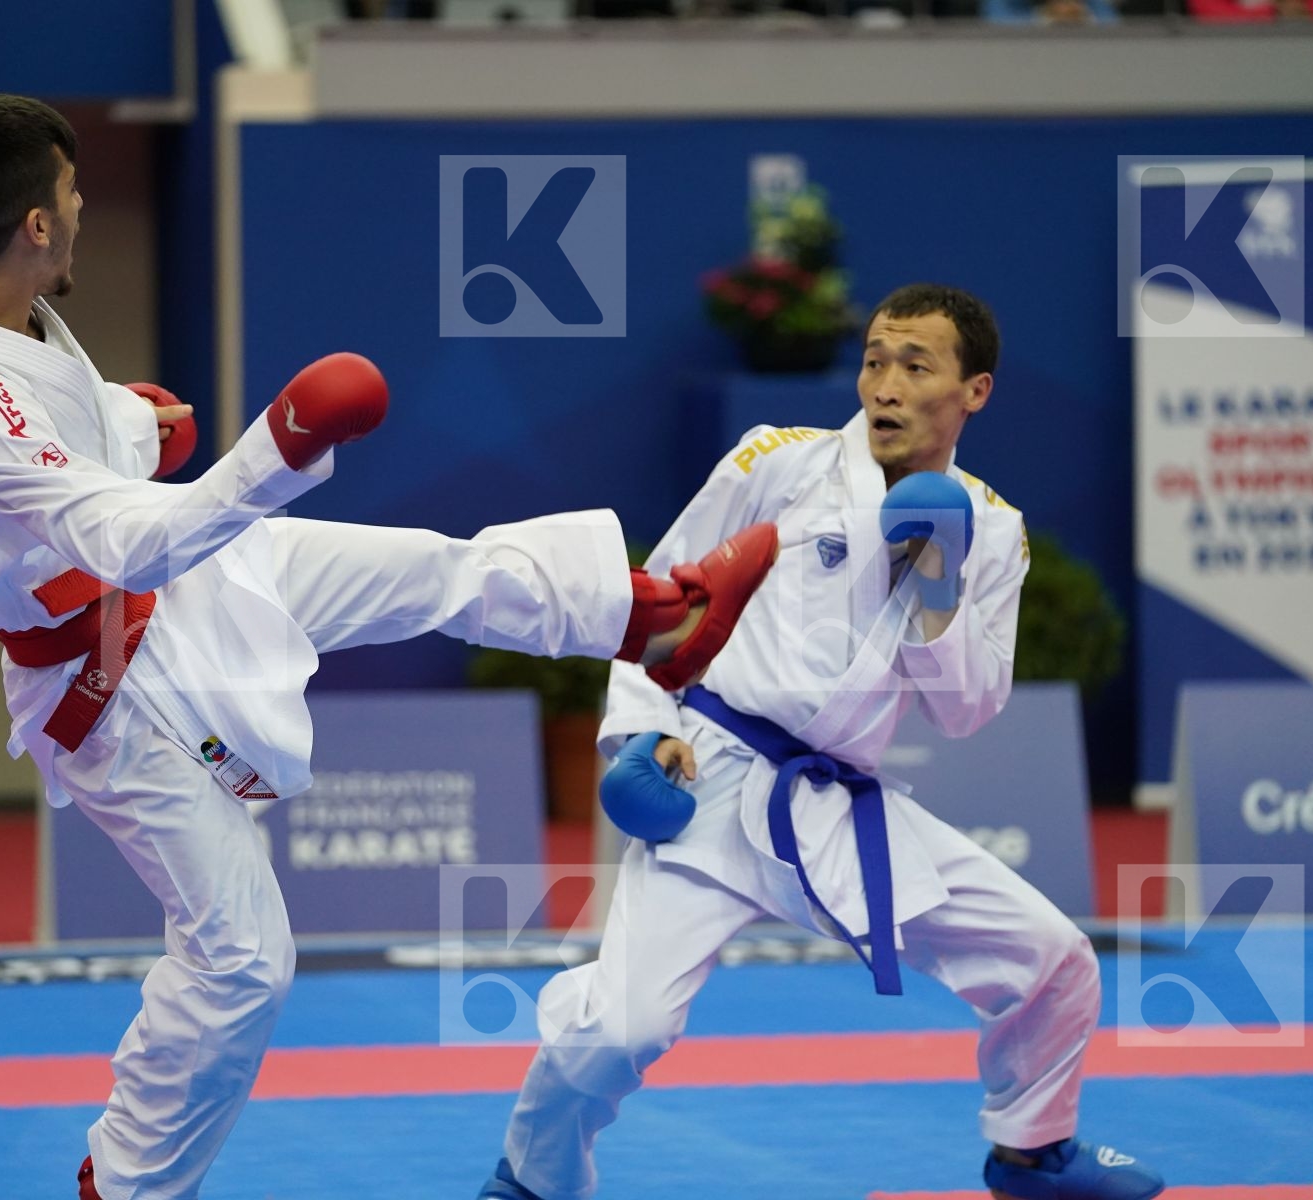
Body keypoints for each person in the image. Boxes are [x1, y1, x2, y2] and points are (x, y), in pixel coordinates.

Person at [0, 94, 780, 1200]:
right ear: (33, 224)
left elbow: (55, 450)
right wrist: (281, 444)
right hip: (101, 681)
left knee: (429, 571)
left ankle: (653, 614)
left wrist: (127, 421)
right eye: (69, 196)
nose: (77, 213)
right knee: (243, 963)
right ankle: (125, 1184)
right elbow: (121, 536)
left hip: (180, 585)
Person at [477, 285, 1166, 1200]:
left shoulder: (993, 529)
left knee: (1052, 957)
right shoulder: (778, 462)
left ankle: (1032, 1154)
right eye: (875, 361)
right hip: (715, 781)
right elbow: (661, 595)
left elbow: (965, 711)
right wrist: (647, 727)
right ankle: (532, 1180)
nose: (885, 385)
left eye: (915, 365)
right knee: (622, 1028)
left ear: (975, 391)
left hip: (841, 808)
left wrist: (937, 589)